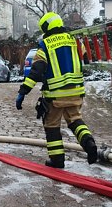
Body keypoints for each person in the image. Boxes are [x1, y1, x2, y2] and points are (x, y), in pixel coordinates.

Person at [15, 11, 98, 168]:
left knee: (52, 126)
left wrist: (22, 92)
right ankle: (89, 144)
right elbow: (86, 59)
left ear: (46, 28)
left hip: (55, 96)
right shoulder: (74, 41)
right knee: (75, 121)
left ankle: (57, 160)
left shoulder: (45, 46)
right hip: (76, 93)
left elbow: (35, 72)